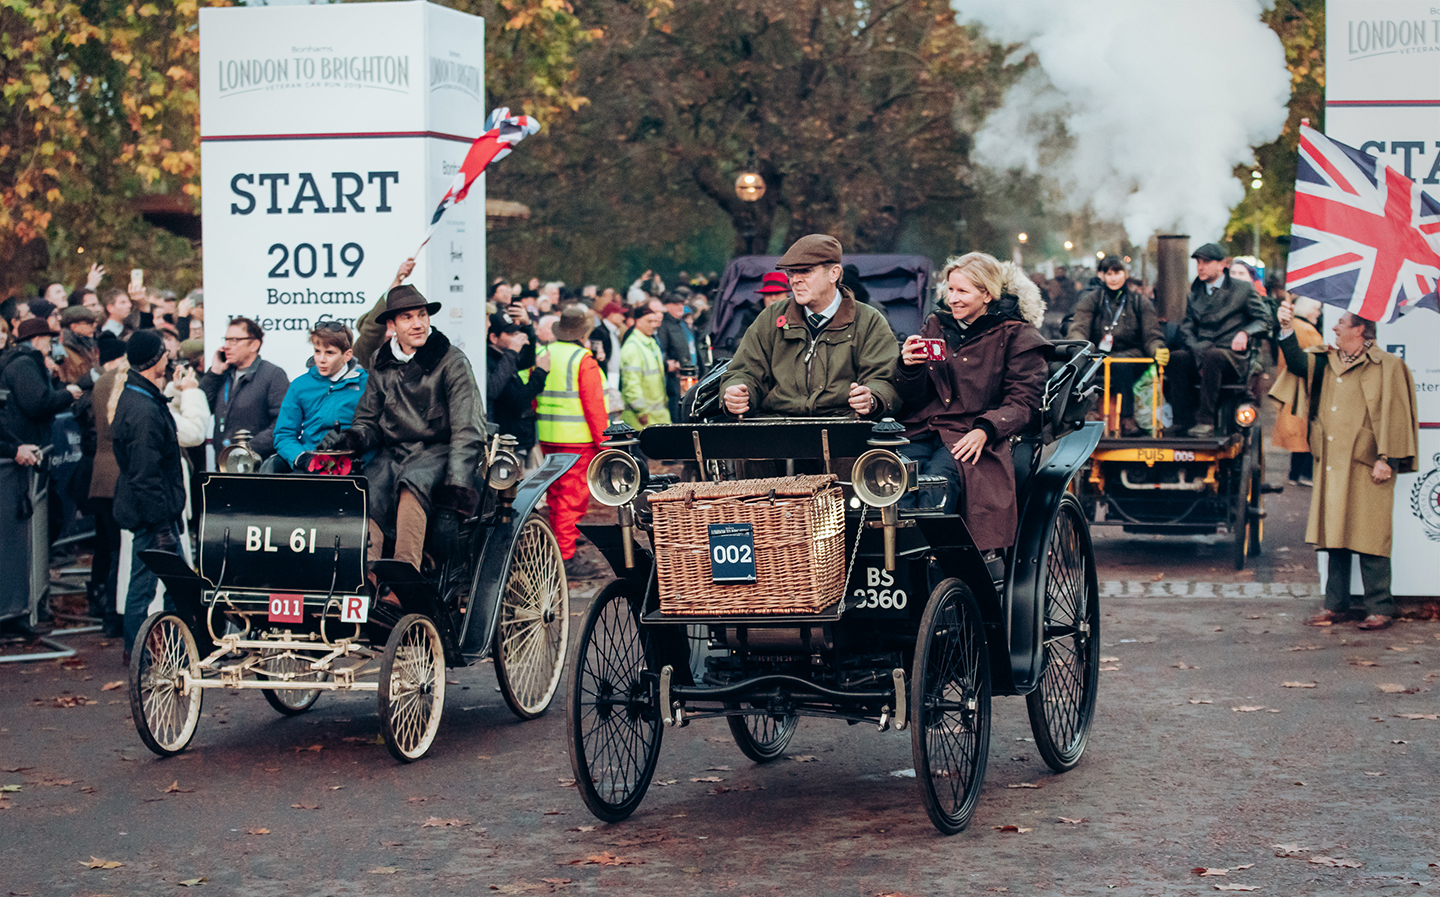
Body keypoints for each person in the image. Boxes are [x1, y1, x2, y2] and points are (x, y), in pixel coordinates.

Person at [1272, 301, 1418, 632]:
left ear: (1360, 329)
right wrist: (1284, 327)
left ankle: (1380, 608)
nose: (1334, 327)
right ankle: (1334, 606)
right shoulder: (1324, 360)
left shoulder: (1388, 366)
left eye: (1341, 322)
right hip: (1332, 462)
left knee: (1371, 536)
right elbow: (1296, 362)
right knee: (1333, 534)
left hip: (1370, 463)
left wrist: (1387, 459)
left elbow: (1395, 415)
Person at [320, 286, 484, 576]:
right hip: (394, 454)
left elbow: (467, 431)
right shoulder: (380, 362)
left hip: (440, 452)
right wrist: (348, 439)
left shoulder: (452, 361)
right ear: (391, 325)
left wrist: (454, 500)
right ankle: (366, 581)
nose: (418, 323)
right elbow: (368, 421)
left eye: (422, 315)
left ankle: (403, 581)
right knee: (366, 491)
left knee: (413, 483)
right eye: (407, 317)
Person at [895, 253, 1049, 548]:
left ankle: (936, 562)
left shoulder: (1018, 336)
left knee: (937, 481)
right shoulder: (936, 325)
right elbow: (915, 397)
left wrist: (985, 429)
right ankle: (902, 563)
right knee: (891, 477)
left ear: (987, 294)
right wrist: (909, 367)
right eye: (950, 289)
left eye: (962, 291)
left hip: (974, 432)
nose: (952, 298)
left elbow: (1024, 402)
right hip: (924, 429)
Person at [721, 234, 899, 419]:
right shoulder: (771, 318)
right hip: (774, 427)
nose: (794, 280)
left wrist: (872, 398)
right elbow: (744, 372)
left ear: (834, 273)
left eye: (805, 271)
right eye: (791, 272)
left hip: (843, 427)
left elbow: (885, 379)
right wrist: (736, 391)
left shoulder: (869, 321)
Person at [111, 331, 187, 659]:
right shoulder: (143, 410)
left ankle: (174, 650)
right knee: (147, 587)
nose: (169, 358)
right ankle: (141, 654)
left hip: (156, 511)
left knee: (175, 586)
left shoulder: (140, 396)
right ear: (155, 360)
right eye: (164, 353)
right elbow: (145, 474)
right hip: (152, 515)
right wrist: (160, 526)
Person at [1167, 242, 1273, 437]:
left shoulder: (1243, 289)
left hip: (1230, 356)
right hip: (1200, 351)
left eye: (1206, 262)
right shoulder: (1195, 293)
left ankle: (1205, 421)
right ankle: (1181, 420)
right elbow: (1188, 326)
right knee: (1176, 358)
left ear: (1222, 264)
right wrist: (1194, 347)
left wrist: (1245, 332)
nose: (1200, 266)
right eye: (1199, 262)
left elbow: (1264, 321)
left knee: (1213, 356)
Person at [535, 305, 609, 574]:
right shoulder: (583, 360)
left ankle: (557, 549)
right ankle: (565, 558)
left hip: (548, 437)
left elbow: (533, 395)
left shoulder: (544, 353)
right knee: (571, 498)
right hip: (577, 441)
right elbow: (594, 407)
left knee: (556, 496)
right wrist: (605, 444)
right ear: (584, 332)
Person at [1066, 256, 1167, 435]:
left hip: (1132, 355)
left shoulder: (1139, 301)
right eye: (1109, 273)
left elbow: (1152, 335)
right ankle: (1088, 412)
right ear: (1101, 275)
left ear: (1125, 274)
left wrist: (1158, 349)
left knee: (1120, 362)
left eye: (1117, 273)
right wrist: (1080, 346)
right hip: (1100, 355)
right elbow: (1079, 327)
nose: (1113, 278)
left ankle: (1127, 418)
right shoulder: (1091, 300)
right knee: (1086, 358)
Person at [272, 322, 368, 471]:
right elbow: (284, 434)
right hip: (310, 465)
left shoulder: (366, 384)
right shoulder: (299, 385)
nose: (321, 359)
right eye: (317, 351)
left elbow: (373, 430)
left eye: (329, 352)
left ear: (347, 355)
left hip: (354, 464)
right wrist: (302, 458)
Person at [199, 316, 290, 459]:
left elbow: (281, 423)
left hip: (256, 466)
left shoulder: (273, 375)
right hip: (223, 464)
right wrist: (214, 373)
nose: (226, 346)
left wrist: (246, 449)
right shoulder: (222, 374)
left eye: (234, 340)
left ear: (254, 345)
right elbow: (201, 407)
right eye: (226, 340)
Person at [0, 318, 80, 451]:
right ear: (36, 339)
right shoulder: (24, 363)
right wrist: (68, 394)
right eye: (48, 340)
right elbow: (38, 404)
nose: (50, 346)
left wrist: (53, 379)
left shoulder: (27, 361)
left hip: (26, 440)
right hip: (26, 444)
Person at [1270, 296, 1323, 486]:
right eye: (1317, 309)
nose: (1319, 313)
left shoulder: (1298, 327)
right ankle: (1305, 474)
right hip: (1303, 388)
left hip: (1292, 386)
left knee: (1298, 434)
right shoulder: (1308, 330)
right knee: (1306, 434)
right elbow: (1316, 359)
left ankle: (1295, 474)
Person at [486, 312, 550, 458]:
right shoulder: (494, 361)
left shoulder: (505, 356)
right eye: (509, 333)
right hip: (507, 442)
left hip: (518, 438)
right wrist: (540, 372)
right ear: (494, 337)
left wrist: (527, 327)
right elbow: (519, 400)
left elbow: (527, 359)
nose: (515, 337)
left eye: (515, 332)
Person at [619, 301, 670, 430]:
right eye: (649, 321)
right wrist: (641, 411)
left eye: (655, 321)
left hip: (657, 417)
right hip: (642, 420)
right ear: (637, 321)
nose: (654, 325)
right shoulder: (632, 347)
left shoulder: (650, 343)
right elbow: (631, 384)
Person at [656, 292, 699, 420]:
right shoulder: (664, 326)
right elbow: (662, 350)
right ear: (667, 306)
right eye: (676, 304)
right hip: (676, 378)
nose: (680, 307)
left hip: (691, 375)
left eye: (681, 304)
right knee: (678, 411)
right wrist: (670, 364)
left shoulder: (682, 324)